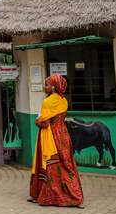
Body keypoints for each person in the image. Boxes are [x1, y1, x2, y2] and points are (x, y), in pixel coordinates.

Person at [28, 74, 84, 207]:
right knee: (66, 165)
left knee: (48, 164)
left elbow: (45, 122)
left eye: (47, 84)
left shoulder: (47, 102)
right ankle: (75, 194)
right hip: (63, 136)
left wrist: (37, 121)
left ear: (53, 87)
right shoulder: (64, 101)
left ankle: (46, 195)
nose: (44, 87)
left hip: (50, 137)